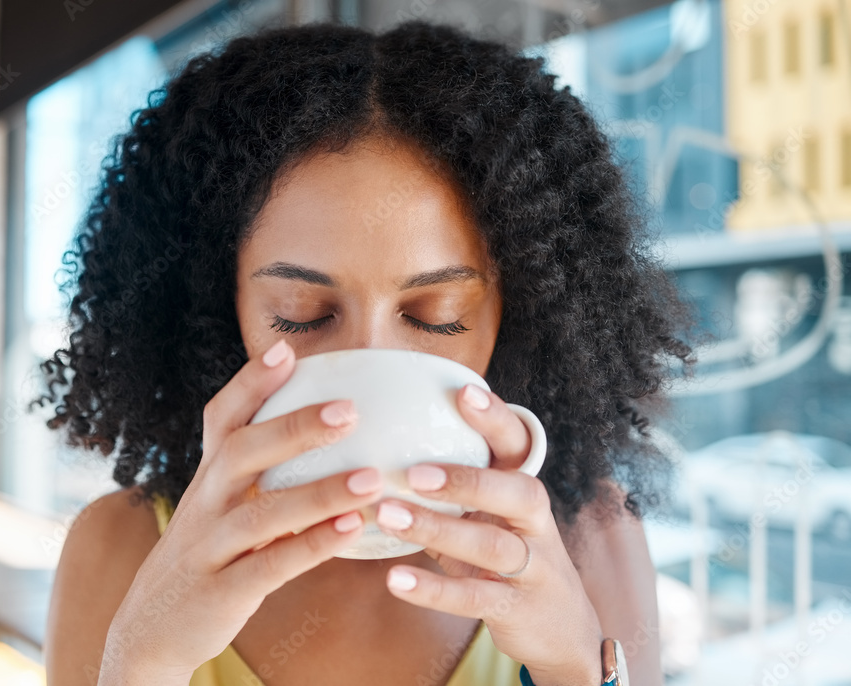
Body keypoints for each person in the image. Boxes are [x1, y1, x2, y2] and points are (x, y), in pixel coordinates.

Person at [39, 18, 694, 686]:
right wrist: (139, 666)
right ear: (216, 306)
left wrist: (576, 668)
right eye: (303, 315)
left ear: (518, 312)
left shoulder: (592, 538)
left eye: (436, 316)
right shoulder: (125, 549)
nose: (365, 369)